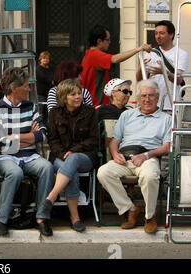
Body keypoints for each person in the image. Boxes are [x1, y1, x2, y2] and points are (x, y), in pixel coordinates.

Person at [0, 67, 54, 237]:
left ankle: (41, 217)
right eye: (26, 85)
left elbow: (43, 134)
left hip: (30, 156)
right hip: (4, 157)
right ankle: (1, 219)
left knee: (47, 167)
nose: (29, 89)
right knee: (15, 172)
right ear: (14, 88)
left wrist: (14, 136)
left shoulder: (30, 107)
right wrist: (30, 137)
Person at [97, 79, 171, 234]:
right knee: (103, 172)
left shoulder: (166, 119)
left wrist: (145, 155)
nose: (147, 99)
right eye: (143, 95)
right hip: (124, 158)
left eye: (151, 95)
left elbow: (167, 147)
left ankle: (150, 217)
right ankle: (130, 209)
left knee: (150, 176)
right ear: (138, 98)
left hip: (148, 158)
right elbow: (115, 141)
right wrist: (115, 154)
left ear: (157, 98)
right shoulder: (127, 115)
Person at [41, 79, 98, 233]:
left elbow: (93, 139)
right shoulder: (54, 113)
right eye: (73, 94)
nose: (78, 97)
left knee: (73, 159)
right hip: (60, 157)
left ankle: (51, 197)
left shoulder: (90, 112)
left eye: (79, 93)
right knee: (71, 171)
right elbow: (52, 140)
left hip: (85, 156)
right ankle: (75, 218)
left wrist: (74, 151)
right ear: (63, 97)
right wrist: (63, 154)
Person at [81, 24, 152, 107]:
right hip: (96, 106)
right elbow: (115, 59)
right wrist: (138, 49)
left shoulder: (91, 55)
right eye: (107, 40)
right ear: (99, 41)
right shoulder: (94, 55)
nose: (109, 42)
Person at [136, 20, 189, 112]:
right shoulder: (150, 53)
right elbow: (140, 80)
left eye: (161, 33)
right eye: (156, 33)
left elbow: (179, 80)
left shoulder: (181, 54)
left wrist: (165, 72)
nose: (158, 36)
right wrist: (141, 69)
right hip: (151, 105)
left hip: (170, 105)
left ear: (171, 35)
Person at [36, 51, 54, 123]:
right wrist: (51, 81)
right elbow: (45, 78)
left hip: (48, 93)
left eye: (47, 58)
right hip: (41, 93)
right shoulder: (39, 69)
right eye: (44, 58)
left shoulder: (50, 69)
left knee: (47, 111)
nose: (45, 60)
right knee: (40, 111)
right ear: (40, 59)